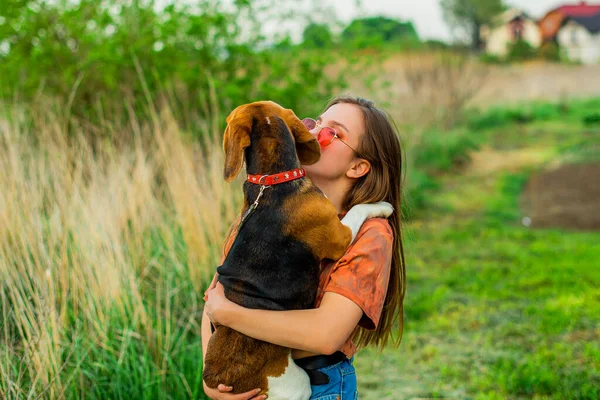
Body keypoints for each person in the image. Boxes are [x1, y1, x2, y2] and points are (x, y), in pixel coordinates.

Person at [202, 95, 406, 400]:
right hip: (245, 377)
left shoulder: (371, 234)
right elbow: (215, 298)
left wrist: (229, 315)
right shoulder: (262, 208)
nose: (311, 134)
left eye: (332, 133)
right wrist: (214, 379)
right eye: (313, 123)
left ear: (358, 166)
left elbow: (325, 335)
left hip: (316, 385)